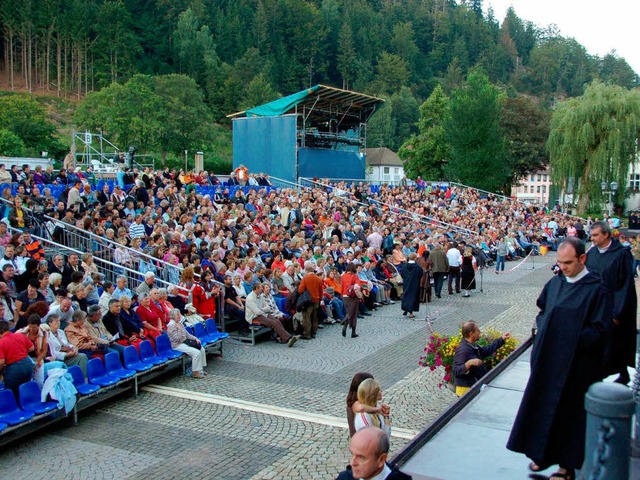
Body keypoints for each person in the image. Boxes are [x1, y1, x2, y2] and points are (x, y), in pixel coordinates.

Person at [507, 238, 613, 480]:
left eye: (568, 263)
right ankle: (542, 454)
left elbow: (600, 330)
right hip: (549, 362)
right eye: (559, 262)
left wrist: (569, 337)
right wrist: (545, 329)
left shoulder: (597, 290)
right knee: (543, 409)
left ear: (582, 259)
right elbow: (543, 312)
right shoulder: (555, 284)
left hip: (577, 368)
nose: (562, 267)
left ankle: (566, 466)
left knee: (569, 417)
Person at [585, 220, 637, 385]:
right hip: (595, 306)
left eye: (595, 235)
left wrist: (617, 311)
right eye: (591, 235)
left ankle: (621, 373)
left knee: (616, 342)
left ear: (606, 234)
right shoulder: (592, 254)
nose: (592, 238)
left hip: (614, 306)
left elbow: (625, 285)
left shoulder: (621, 254)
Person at [453, 321, 509, 396]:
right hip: (467, 391)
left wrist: (501, 339)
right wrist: (469, 363)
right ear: (471, 334)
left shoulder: (472, 345)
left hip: (475, 386)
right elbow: (456, 370)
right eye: (477, 331)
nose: (480, 332)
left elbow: (486, 350)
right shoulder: (463, 350)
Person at [336, 427, 412, 480]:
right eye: (352, 454)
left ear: (381, 460)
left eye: (361, 457)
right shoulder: (344, 477)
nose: (352, 463)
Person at [245, 283, 299, 347]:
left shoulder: (259, 295)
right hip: (254, 316)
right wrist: (263, 309)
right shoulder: (250, 298)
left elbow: (268, 307)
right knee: (273, 323)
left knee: (277, 321)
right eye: (260, 288)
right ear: (256, 288)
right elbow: (257, 312)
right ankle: (288, 338)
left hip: (263, 313)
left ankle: (286, 337)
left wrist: (262, 309)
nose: (262, 289)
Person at [166, 308, 207, 379]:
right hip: (177, 345)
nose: (179, 316)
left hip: (184, 342)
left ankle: (200, 369)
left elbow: (187, 334)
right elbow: (177, 338)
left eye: (179, 314)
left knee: (201, 349)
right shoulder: (171, 326)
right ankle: (195, 372)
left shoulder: (179, 323)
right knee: (196, 352)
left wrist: (195, 338)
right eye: (177, 315)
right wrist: (179, 330)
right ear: (173, 316)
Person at [0, 319, 34, 396]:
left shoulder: (1, 342)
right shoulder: (20, 335)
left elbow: (1, 361)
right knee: (25, 388)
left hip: (14, 368)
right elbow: (31, 348)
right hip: (27, 364)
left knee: (11, 392)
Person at [298, 261, 323, 340]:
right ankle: (313, 332)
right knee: (314, 317)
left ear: (306, 271)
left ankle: (307, 334)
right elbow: (321, 291)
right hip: (316, 300)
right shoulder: (318, 279)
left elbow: (300, 290)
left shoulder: (305, 278)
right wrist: (319, 299)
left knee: (307, 317)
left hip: (308, 301)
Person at [400, 252, 421, 318]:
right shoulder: (418, 267)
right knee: (413, 296)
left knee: (406, 295)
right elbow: (420, 274)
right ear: (415, 258)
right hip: (415, 283)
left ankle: (406, 308)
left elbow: (402, 274)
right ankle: (410, 312)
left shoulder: (404, 266)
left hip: (406, 283)